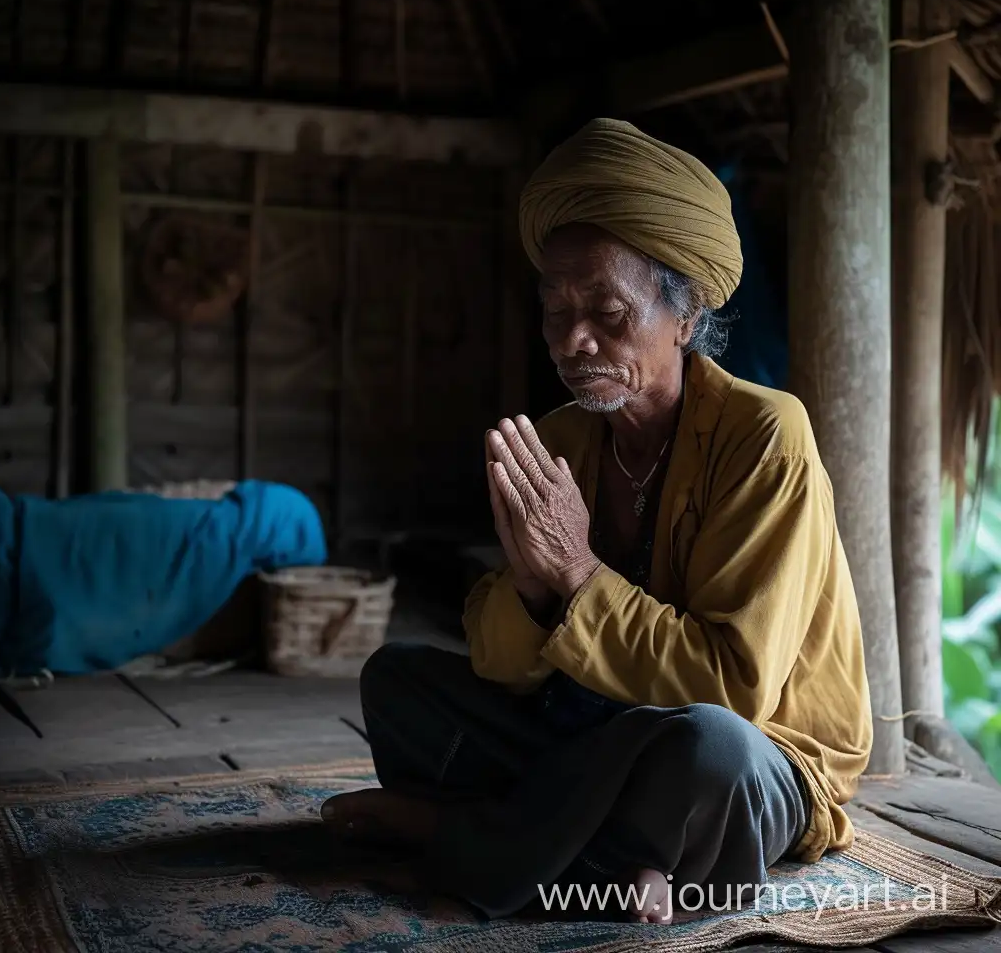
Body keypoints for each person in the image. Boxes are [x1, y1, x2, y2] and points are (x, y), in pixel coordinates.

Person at [327, 118, 870, 923]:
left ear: (683, 316)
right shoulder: (559, 441)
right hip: (586, 738)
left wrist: (578, 573)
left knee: (710, 755)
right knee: (398, 682)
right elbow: (500, 666)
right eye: (556, 312)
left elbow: (735, 691)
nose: (573, 341)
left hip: (758, 753)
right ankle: (621, 862)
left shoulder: (765, 432)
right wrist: (535, 589)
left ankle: (464, 835)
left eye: (607, 312)